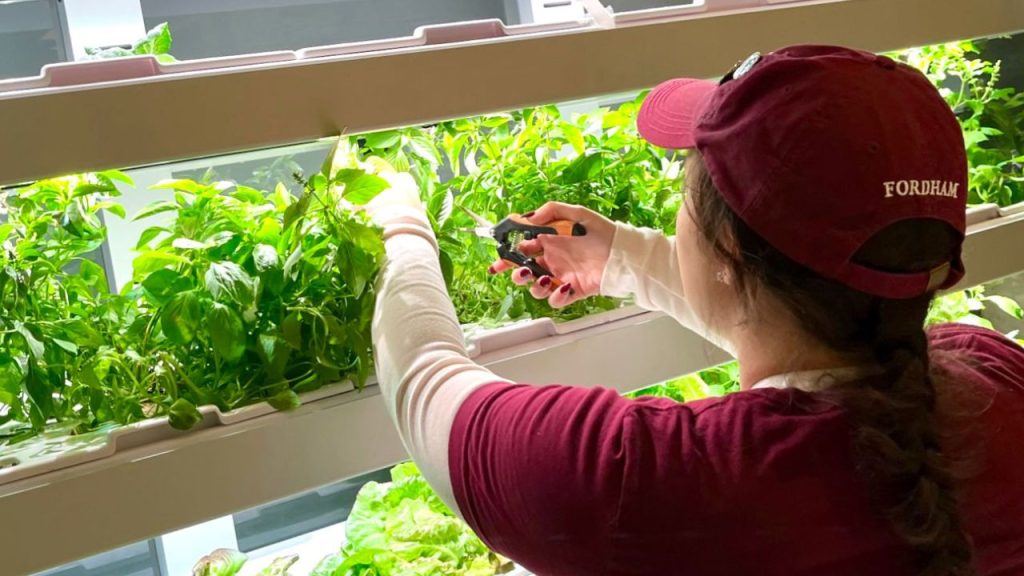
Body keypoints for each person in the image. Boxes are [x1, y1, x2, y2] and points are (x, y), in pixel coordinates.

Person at [367, 45, 1024, 576]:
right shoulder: (994, 373)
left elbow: (423, 378)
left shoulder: (653, 484)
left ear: (729, 252)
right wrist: (624, 259)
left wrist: (399, 224)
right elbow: (812, 329)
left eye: (684, 190)